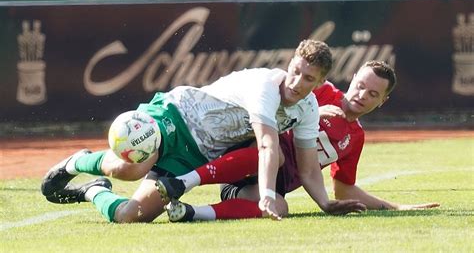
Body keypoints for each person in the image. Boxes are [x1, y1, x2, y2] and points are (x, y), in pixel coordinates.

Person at [41, 40, 363, 223]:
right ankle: (77, 163)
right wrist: (266, 196)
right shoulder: (266, 86)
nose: (297, 82)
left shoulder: (306, 110)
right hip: (178, 114)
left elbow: (308, 168)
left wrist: (325, 203)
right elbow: (266, 145)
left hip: (197, 154)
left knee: (130, 216)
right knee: (131, 167)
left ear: (320, 83)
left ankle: (89, 190)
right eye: (296, 71)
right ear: (290, 63)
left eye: (308, 79)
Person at [161, 60, 440, 222]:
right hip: (247, 159)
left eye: (373, 94)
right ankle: (183, 181)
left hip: (264, 189)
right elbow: (277, 98)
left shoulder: (356, 138)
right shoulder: (320, 91)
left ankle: (189, 212)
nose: (362, 95)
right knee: (278, 155)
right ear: (352, 79)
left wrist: (396, 208)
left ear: (383, 102)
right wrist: (314, 110)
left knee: (281, 208)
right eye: (360, 86)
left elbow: (344, 189)